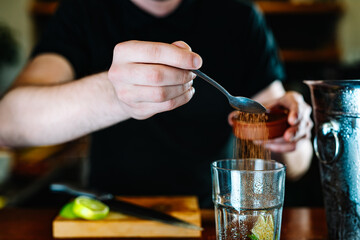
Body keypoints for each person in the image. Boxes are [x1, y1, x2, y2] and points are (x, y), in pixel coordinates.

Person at [0, 0, 313, 207]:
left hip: (211, 214)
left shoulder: (238, 14)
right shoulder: (84, 10)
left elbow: (297, 165)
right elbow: (8, 125)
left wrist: (289, 130)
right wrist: (113, 94)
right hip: (112, 213)